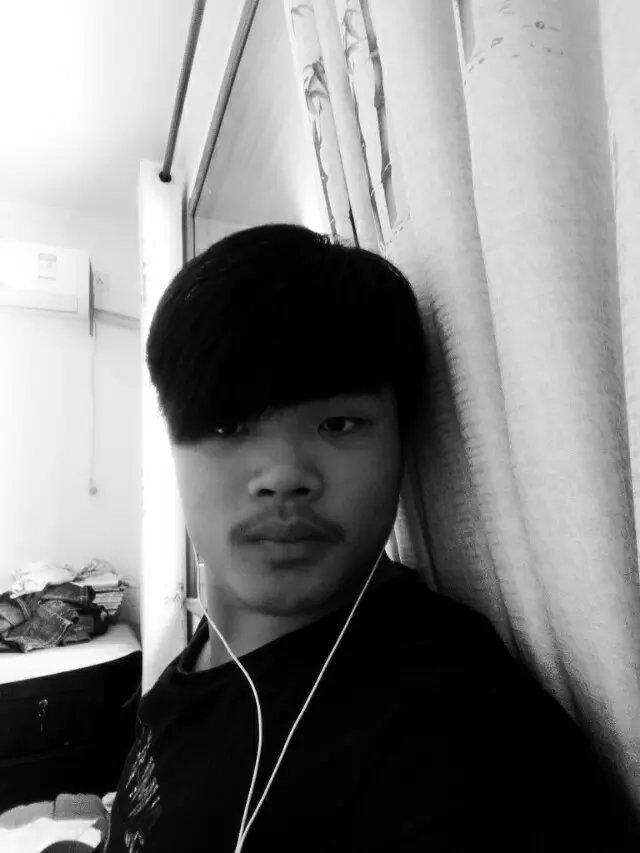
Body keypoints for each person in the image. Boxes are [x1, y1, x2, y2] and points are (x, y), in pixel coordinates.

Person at [106, 224, 639, 852]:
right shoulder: (195, 664)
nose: (283, 476)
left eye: (339, 423)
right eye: (228, 426)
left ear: (403, 444)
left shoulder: (466, 736)